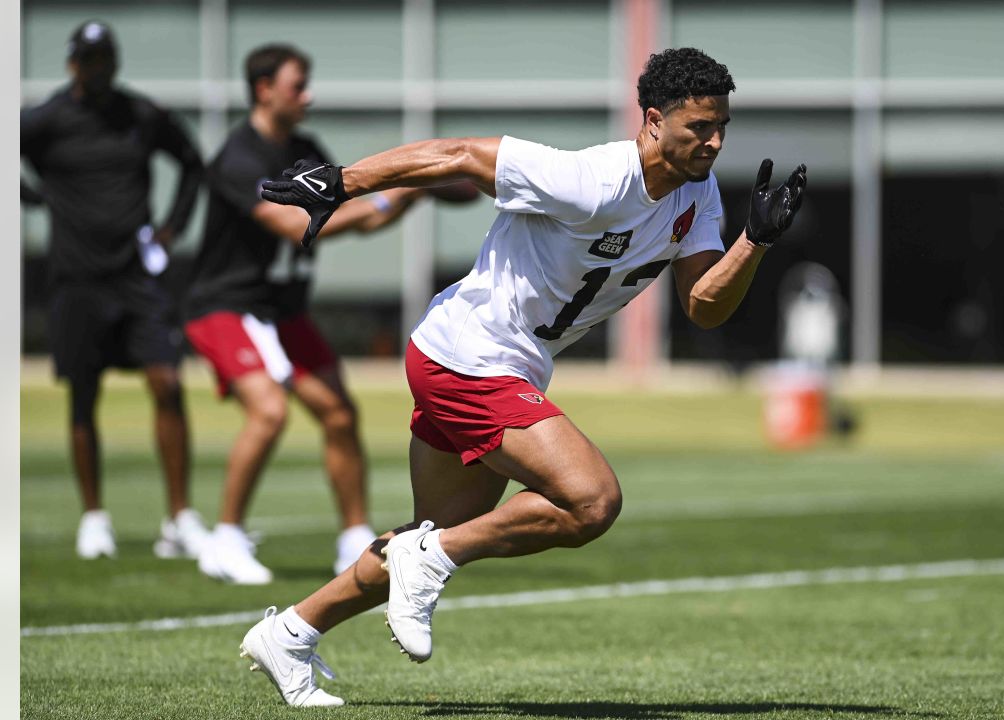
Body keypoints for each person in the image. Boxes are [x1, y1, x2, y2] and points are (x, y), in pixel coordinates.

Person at [238, 47, 806, 706]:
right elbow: (457, 154)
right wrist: (344, 181)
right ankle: (431, 561)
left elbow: (704, 306)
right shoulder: (591, 179)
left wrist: (753, 242)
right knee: (591, 501)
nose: (714, 142)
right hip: (469, 356)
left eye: (722, 127)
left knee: (431, 535)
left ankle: (290, 633)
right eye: (699, 128)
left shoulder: (697, 192)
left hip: (498, 362)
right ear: (653, 120)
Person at [183, 44, 477, 585]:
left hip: (282, 310)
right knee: (269, 411)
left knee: (340, 416)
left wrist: (408, 195)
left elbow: (357, 219)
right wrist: (402, 193)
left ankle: (352, 539)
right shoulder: (238, 158)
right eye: (298, 85)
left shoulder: (304, 148)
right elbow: (296, 226)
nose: (308, 95)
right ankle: (223, 538)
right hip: (227, 305)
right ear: (264, 88)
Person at [21, 20, 207, 560]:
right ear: (73, 63)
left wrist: (172, 228)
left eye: (105, 58)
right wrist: (33, 198)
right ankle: (94, 518)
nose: (96, 68)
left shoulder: (141, 116)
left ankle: (178, 518)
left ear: (114, 63)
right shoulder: (48, 119)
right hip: (76, 279)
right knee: (83, 396)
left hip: (136, 276)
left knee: (167, 382)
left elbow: (193, 165)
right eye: (87, 59)